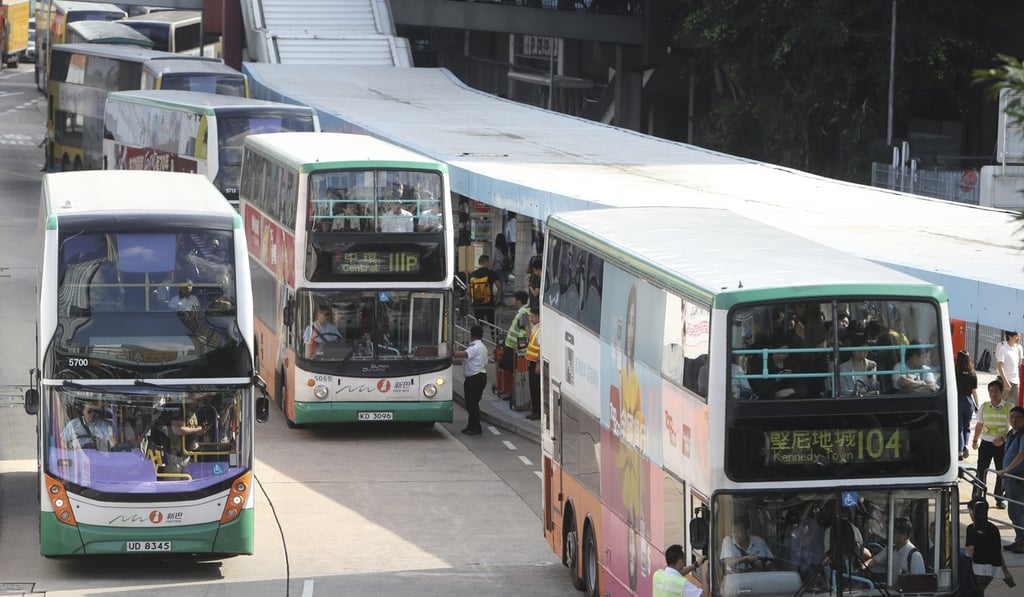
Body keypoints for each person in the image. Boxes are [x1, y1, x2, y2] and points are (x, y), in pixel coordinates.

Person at [973, 379, 1011, 509]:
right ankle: (977, 496)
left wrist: (1003, 438)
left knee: (1001, 472)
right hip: (986, 444)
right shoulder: (984, 406)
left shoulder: (1008, 408)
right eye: (991, 391)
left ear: (1001, 392)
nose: (993, 394)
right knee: (981, 470)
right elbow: (979, 424)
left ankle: (999, 498)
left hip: (1001, 445)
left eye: (996, 391)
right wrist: (975, 440)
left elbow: (1015, 428)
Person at [966, 500, 1015, 594]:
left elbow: (970, 550)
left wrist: (966, 568)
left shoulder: (971, 528)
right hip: (992, 570)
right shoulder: (994, 528)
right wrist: (1005, 571)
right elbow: (997, 551)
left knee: (974, 592)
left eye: (970, 511)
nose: (970, 514)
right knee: (979, 591)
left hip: (977, 568)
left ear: (974, 511)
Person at [996, 406, 1024, 553]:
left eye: (1018, 417)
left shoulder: (1022, 435)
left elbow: (1021, 454)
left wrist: (1007, 470)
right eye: (1012, 417)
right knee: (1017, 511)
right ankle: (1020, 539)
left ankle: (1021, 540)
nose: (1014, 420)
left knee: (1016, 511)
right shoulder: (1011, 433)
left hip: (1017, 479)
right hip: (1009, 479)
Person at [454, 324, 487, 435]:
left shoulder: (475, 347)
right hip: (480, 376)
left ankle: (476, 427)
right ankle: (471, 425)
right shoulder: (482, 346)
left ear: (471, 335)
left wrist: (451, 353)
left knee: (471, 404)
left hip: (474, 378)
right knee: (472, 403)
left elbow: (465, 354)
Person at [468, 255, 503, 338]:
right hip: (489, 303)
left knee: (479, 323)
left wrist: (471, 298)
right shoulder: (491, 273)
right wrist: (497, 299)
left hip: (476, 304)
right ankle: (495, 339)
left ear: (479, 263)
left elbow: (469, 289)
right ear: (486, 262)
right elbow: (499, 286)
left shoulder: (473, 274)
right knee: (492, 323)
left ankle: (478, 341)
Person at [500, 291, 532, 377]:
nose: (512, 301)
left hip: (513, 347)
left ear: (518, 301)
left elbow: (524, 333)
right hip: (512, 346)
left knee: (510, 369)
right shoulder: (524, 312)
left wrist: (520, 348)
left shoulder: (523, 313)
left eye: (514, 299)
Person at [956, 350, 980, 460]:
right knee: (967, 427)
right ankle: (965, 445)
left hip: (957, 401)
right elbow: (974, 391)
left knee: (959, 427)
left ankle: (960, 451)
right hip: (969, 401)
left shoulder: (954, 372)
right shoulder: (972, 373)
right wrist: (977, 405)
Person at [524, 304, 541, 420]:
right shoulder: (536, 327)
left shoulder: (541, 329)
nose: (531, 319)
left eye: (532, 316)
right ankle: (535, 410)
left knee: (536, 388)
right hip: (531, 362)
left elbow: (542, 347)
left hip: (536, 363)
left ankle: (538, 412)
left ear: (539, 316)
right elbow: (531, 338)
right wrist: (526, 326)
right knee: (532, 387)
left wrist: (539, 363)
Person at [996, 331, 1023, 407]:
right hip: (1004, 381)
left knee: (1020, 404)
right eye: (1016, 336)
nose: (1018, 338)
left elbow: (1019, 364)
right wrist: (1005, 381)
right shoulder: (1003, 349)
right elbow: (999, 366)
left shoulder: (1017, 348)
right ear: (1010, 336)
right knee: (999, 403)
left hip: (1015, 382)